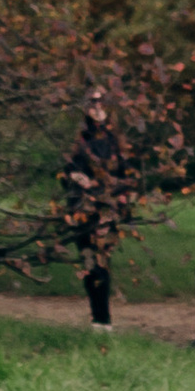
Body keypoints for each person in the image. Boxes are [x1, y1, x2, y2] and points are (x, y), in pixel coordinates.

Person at [61, 86, 131, 330]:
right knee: (89, 262)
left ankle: (104, 319)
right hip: (82, 209)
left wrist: (109, 197)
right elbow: (66, 172)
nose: (97, 107)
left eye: (102, 102)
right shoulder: (80, 141)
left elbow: (126, 177)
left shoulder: (115, 141)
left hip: (105, 210)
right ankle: (97, 318)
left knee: (101, 262)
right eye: (92, 102)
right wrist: (75, 177)